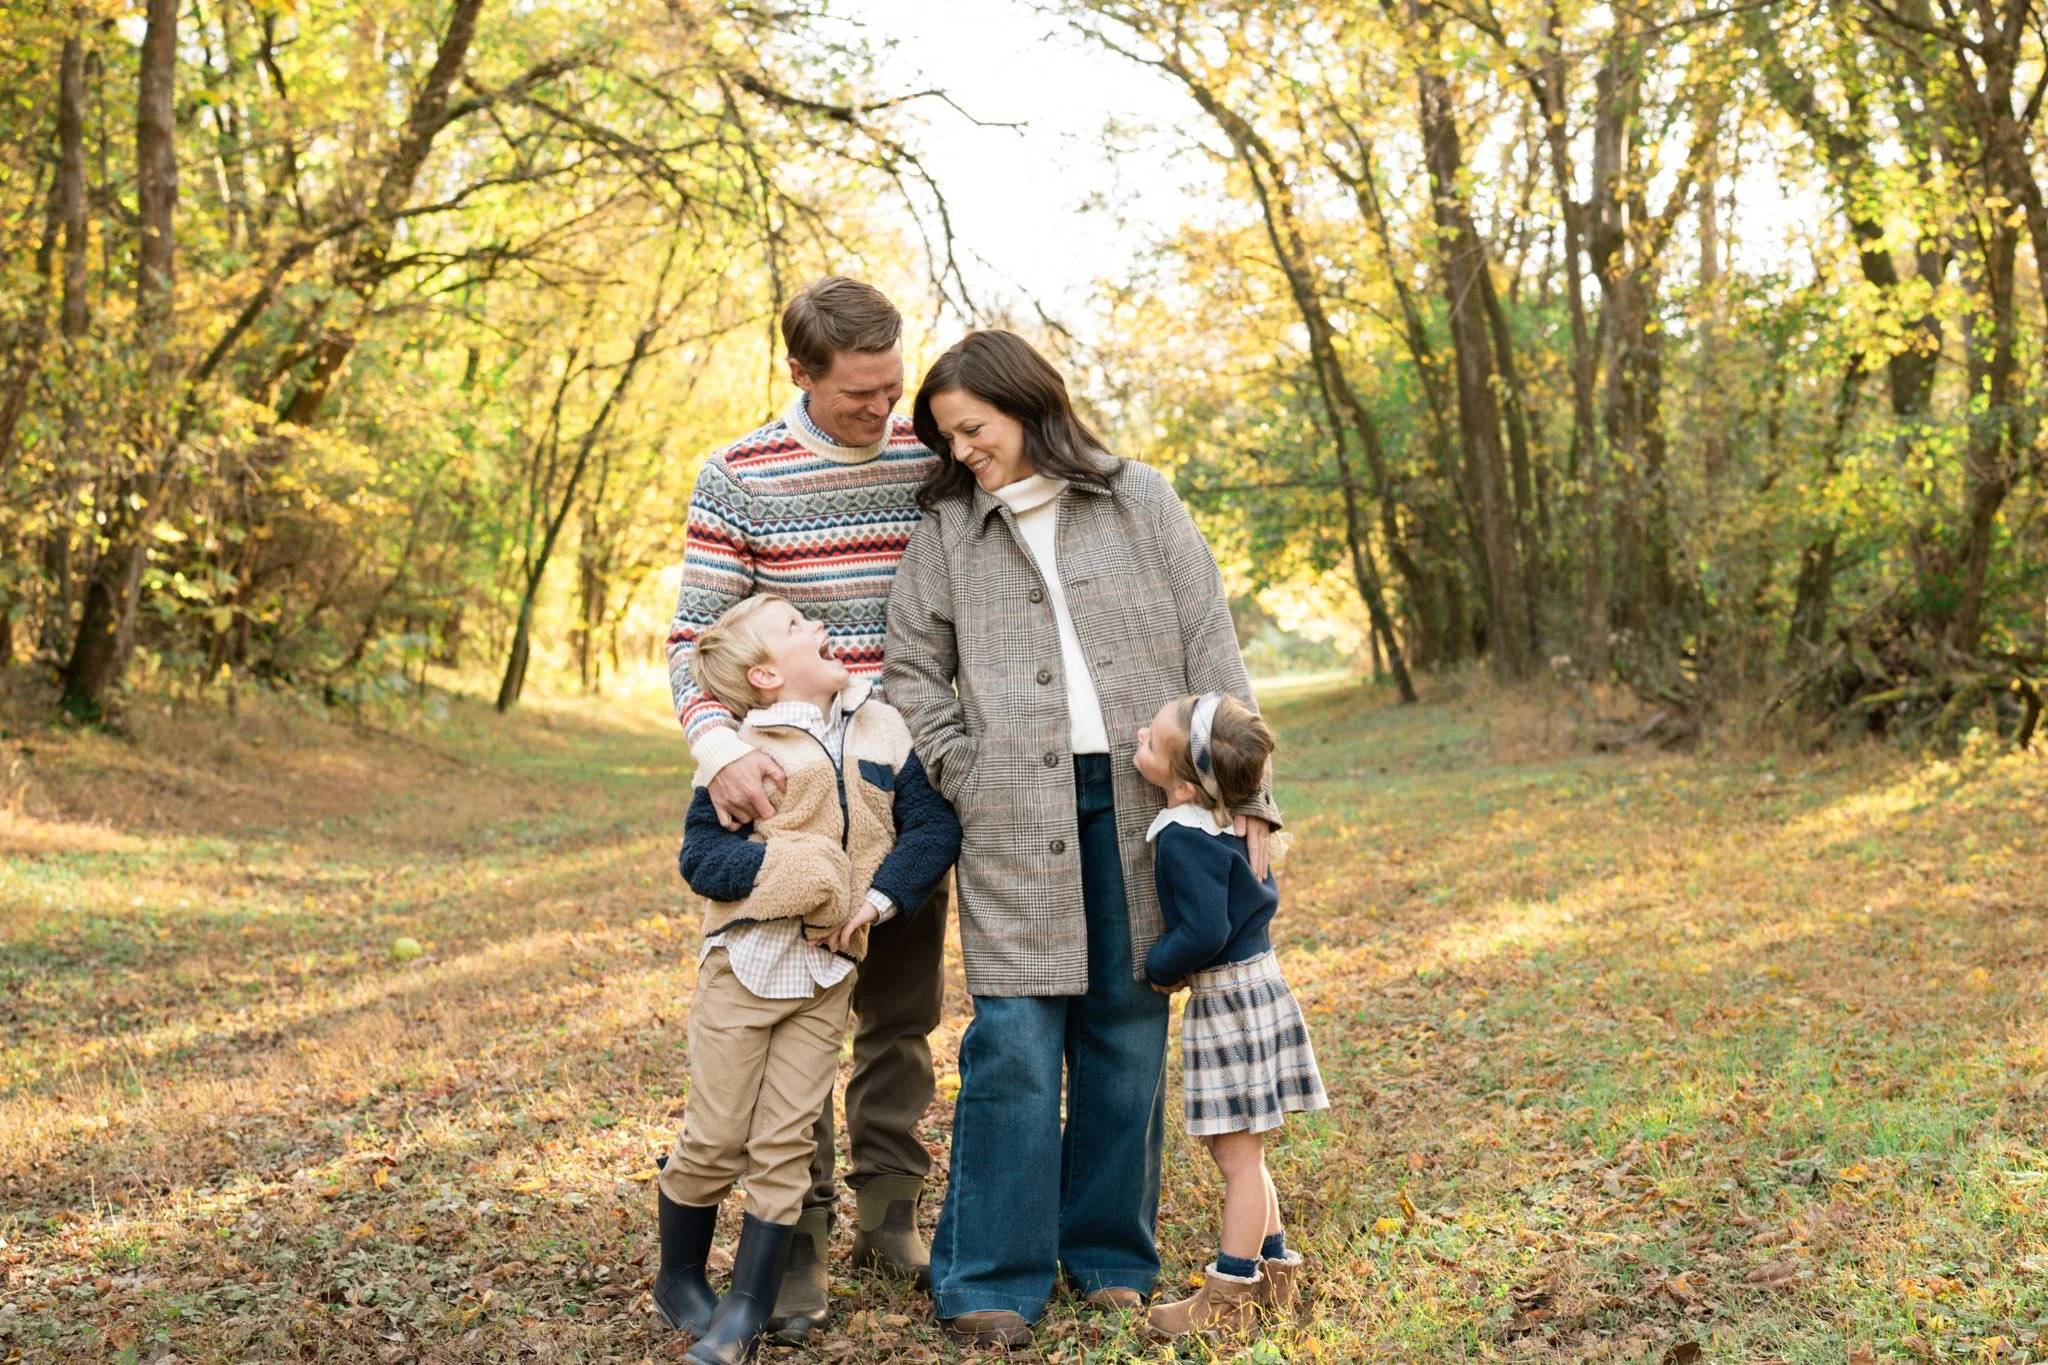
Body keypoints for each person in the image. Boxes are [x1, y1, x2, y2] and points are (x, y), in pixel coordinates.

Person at [883, 329, 1282, 1349]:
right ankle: (989, 1277)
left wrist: (1252, 803)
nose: (962, 450)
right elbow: (911, 670)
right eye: (946, 437)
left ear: (1025, 405)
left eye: (972, 429)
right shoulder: (946, 525)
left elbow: (1212, 648)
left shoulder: (1136, 496)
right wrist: (963, 768)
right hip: (1011, 805)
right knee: (1012, 1039)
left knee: (1125, 1026)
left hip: (1151, 804)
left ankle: (1109, 1257)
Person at [661, 277, 947, 1340]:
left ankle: (889, 1213)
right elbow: (694, 639)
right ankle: (801, 1237)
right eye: (858, 396)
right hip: (785, 797)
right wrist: (719, 745)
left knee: (899, 1021)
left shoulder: (926, 454)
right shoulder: (737, 475)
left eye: (891, 388)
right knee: (793, 1015)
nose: (883, 413)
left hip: (895, 780)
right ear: (799, 374)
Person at [656, 595, 960, 1365]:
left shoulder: (885, 727)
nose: (823, 630)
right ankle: (680, 1275)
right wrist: (807, 869)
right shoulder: (745, 753)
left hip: (827, 973)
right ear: (763, 674)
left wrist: (874, 899)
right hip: (745, 970)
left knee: (786, 1141)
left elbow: (931, 826)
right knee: (718, 1140)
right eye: (798, 628)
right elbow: (703, 861)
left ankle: (748, 1310)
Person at [1131, 691, 1327, 1340]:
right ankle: (1275, 1276)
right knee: (1241, 1150)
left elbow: (1205, 928)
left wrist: (1161, 965)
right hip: (1255, 988)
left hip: (1232, 999)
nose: (1139, 736)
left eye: (1150, 741)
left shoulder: (1185, 836)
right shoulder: (1227, 818)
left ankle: (1227, 1298)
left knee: (1239, 1158)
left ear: (1184, 784)